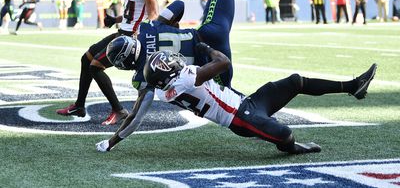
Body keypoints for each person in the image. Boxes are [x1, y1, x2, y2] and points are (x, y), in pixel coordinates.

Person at [96, 0, 300, 150]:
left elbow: (135, 118)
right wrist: (171, 26)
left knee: (236, 109)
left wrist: (111, 143)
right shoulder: (147, 27)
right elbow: (178, 5)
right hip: (210, 37)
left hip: (213, 71)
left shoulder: (143, 78)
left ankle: (270, 128)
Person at [96, 45, 377, 153]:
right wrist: (207, 48)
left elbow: (135, 117)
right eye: (169, 63)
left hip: (249, 103)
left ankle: (353, 86)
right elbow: (223, 62)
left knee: (295, 81)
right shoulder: (183, 79)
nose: (175, 62)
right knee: (285, 134)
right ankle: (291, 148)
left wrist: (111, 142)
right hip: (241, 118)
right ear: (166, 74)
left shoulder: (163, 88)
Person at [56, 0, 160, 125]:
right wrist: (116, 19)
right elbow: (132, 12)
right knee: (86, 59)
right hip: (122, 32)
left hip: (131, 38)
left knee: (96, 66)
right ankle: (79, 106)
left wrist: (144, 37)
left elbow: (154, 16)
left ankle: (118, 110)